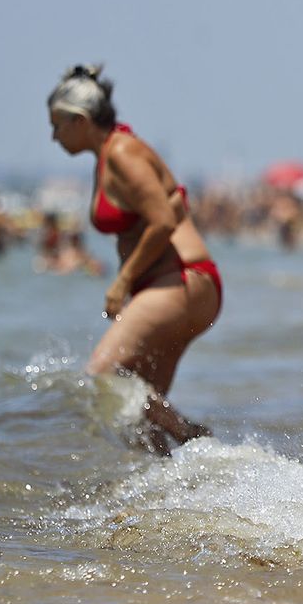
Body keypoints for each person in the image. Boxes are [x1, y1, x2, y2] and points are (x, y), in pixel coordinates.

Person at [47, 64, 222, 454]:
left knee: (102, 377)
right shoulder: (111, 153)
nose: (53, 136)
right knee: (139, 412)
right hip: (181, 285)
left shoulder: (123, 153)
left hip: (183, 280)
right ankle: (174, 487)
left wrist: (122, 281)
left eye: (57, 125)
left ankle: (194, 435)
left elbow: (162, 220)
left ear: (79, 120)